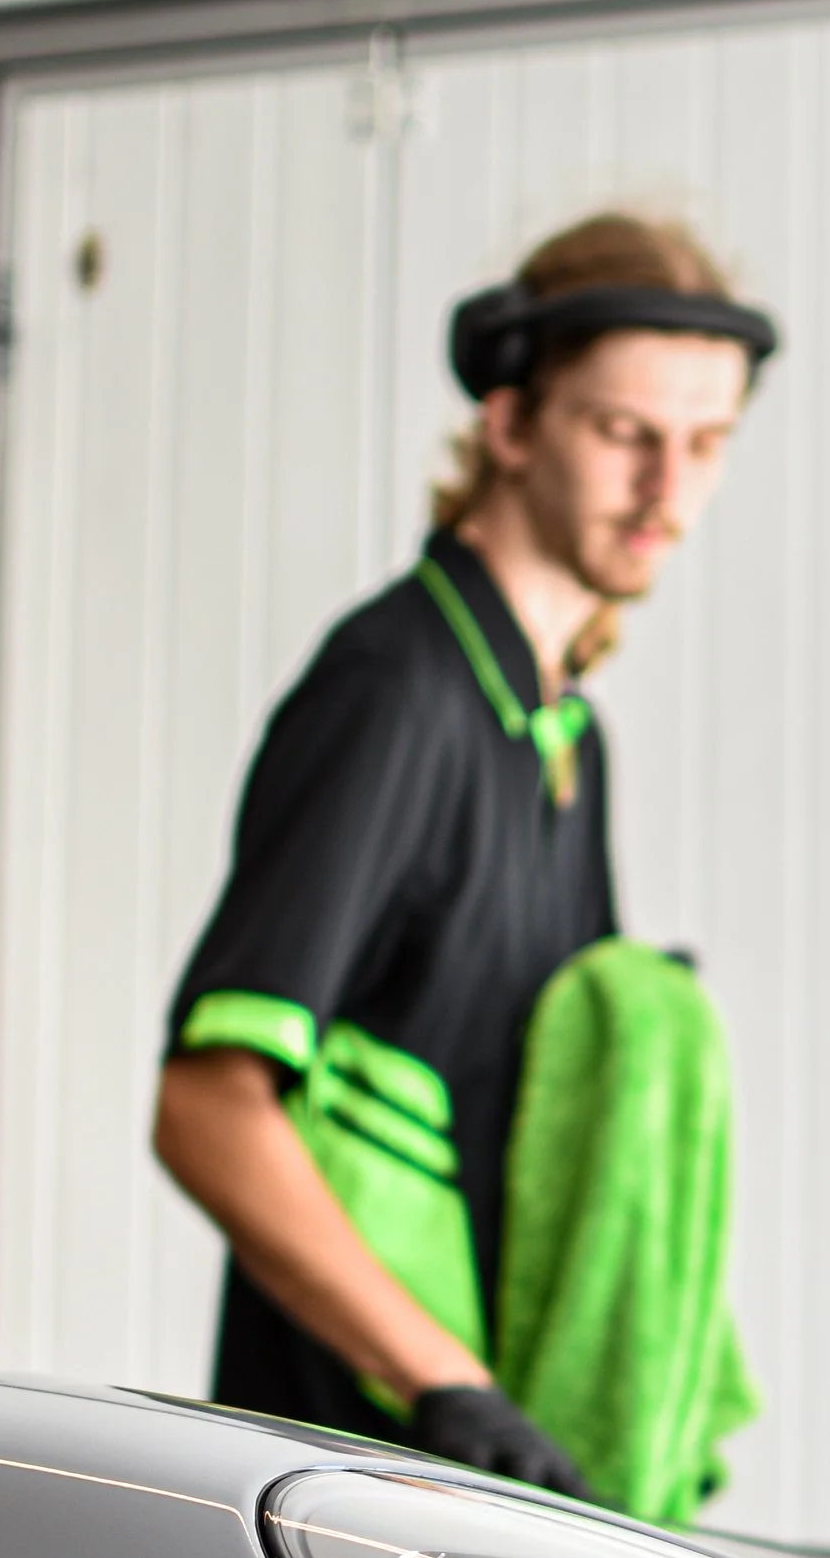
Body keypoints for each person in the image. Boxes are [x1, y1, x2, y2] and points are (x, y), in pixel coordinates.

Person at [153, 211, 776, 1487]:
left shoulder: (560, 732)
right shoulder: (398, 692)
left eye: (704, 444)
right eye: (624, 435)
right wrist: (449, 1386)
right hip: (361, 1487)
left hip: (489, 1486)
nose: (670, 490)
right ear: (509, 425)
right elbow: (208, 1107)